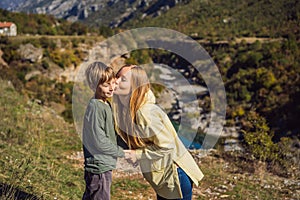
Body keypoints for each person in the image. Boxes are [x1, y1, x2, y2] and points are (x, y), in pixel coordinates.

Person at [112, 64, 204, 200]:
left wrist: (137, 154)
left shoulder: (144, 112)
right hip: (165, 177)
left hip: (174, 176)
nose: (116, 81)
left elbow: (167, 146)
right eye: (117, 77)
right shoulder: (128, 110)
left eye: (123, 79)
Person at [82, 61, 125, 200]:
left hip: (102, 165)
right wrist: (121, 152)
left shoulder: (105, 103)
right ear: (94, 86)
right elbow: (99, 141)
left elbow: (109, 133)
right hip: (99, 167)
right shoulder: (96, 107)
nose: (112, 88)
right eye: (106, 85)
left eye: (112, 83)